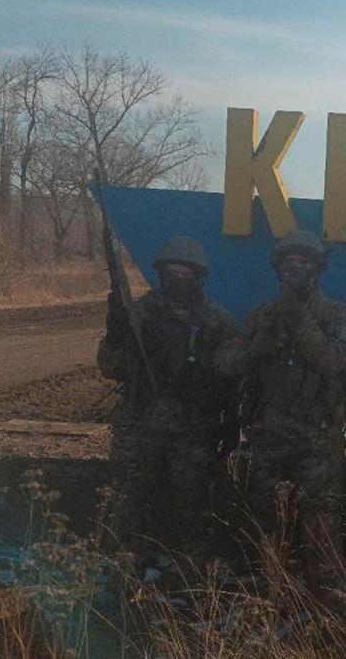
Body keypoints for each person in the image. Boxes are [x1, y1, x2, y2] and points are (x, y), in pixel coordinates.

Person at [215, 230, 346, 594]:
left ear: (316, 270)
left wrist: (298, 319)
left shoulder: (337, 314)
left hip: (318, 440)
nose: (293, 269)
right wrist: (254, 350)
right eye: (287, 263)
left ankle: (328, 601)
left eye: (302, 262)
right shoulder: (262, 315)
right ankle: (269, 592)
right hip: (268, 435)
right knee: (266, 517)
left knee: (320, 521)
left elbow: (331, 361)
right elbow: (224, 364)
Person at [97, 235, 240, 564]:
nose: (177, 280)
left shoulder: (218, 321)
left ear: (198, 277)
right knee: (124, 506)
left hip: (193, 431)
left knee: (193, 509)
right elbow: (111, 368)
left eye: (185, 274)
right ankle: (119, 571)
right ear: (160, 274)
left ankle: (191, 578)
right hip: (140, 426)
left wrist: (230, 425)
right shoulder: (140, 314)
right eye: (171, 273)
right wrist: (116, 334)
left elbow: (232, 379)